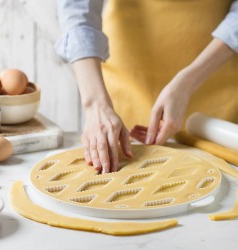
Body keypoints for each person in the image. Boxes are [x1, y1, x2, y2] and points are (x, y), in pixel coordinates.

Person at [56, 0, 238, 174]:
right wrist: (95, 103)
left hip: (217, 74)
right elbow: (77, 7)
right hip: (127, 83)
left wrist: (188, 82)